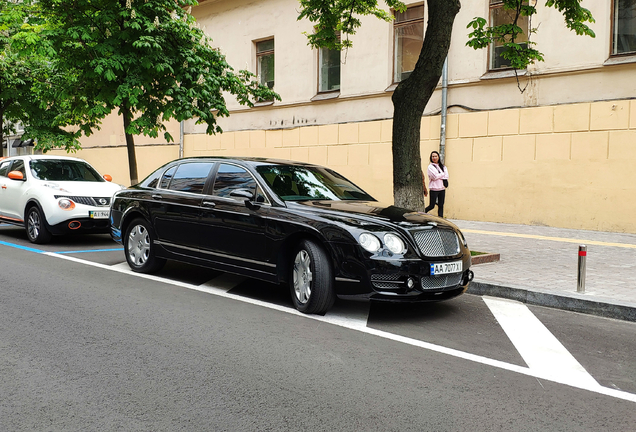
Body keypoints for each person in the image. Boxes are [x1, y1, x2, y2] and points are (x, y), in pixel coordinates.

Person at [424, 151, 448, 217]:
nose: (434, 158)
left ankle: (441, 219)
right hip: (434, 189)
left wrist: (439, 175)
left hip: (442, 188)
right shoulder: (430, 167)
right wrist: (442, 174)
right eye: (433, 156)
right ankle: (422, 213)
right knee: (432, 205)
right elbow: (434, 177)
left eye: (435, 156)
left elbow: (446, 176)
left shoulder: (442, 166)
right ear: (431, 158)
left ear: (438, 157)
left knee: (441, 205)